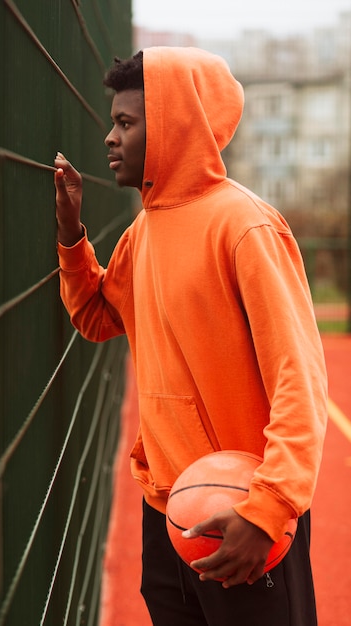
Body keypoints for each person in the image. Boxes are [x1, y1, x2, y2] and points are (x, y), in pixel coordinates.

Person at [54, 47, 327, 626]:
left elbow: (298, 379)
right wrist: (72, 236)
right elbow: (98, 318)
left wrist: (268, 509)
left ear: (173, 126)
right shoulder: (142, 232)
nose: (109, 137)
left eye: (125, 123)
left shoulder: (243, 226)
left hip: (242, 517)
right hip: (170, 515)